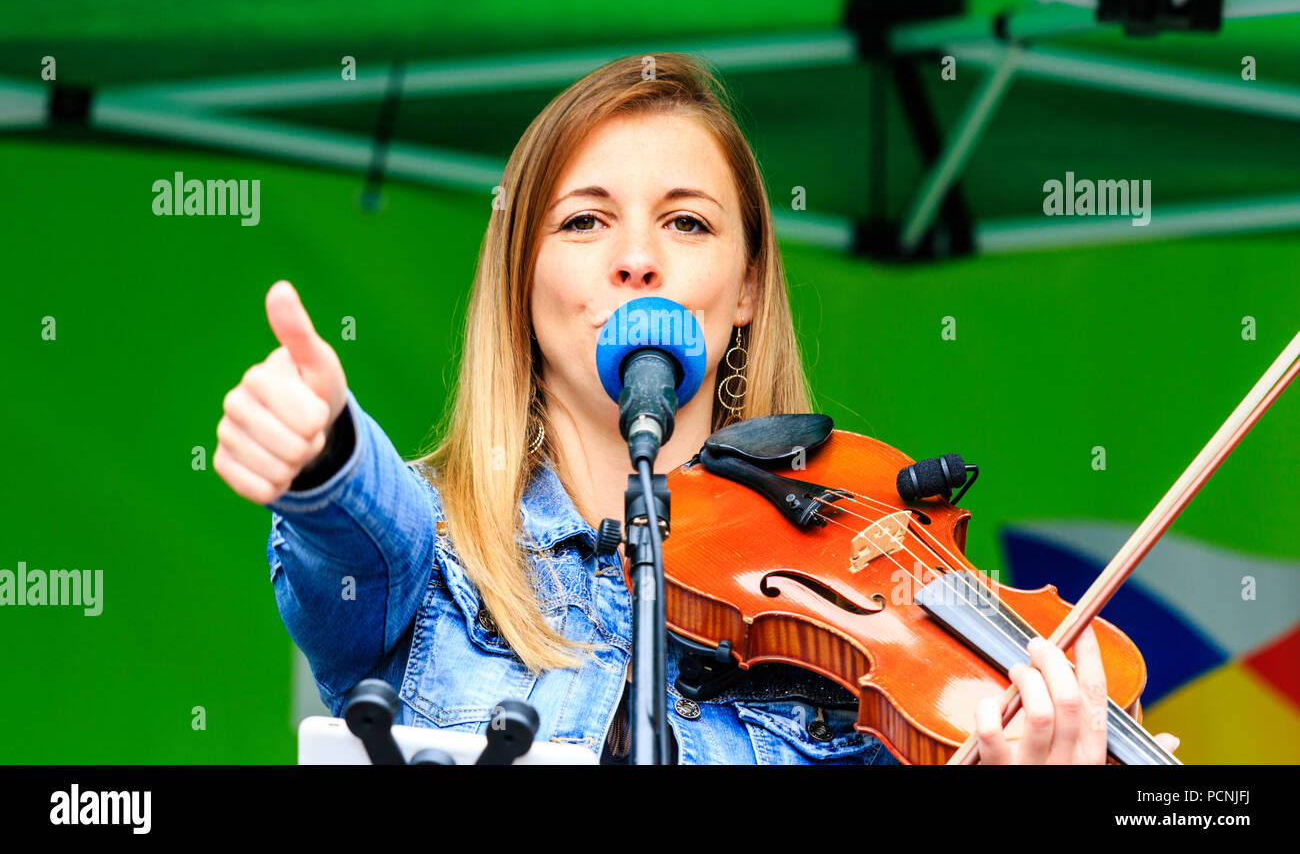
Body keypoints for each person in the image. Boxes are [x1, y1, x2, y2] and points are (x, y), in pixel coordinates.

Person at [215, 52, 1180, 765]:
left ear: (749, 284)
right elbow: (362, 527)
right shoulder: (439, 562)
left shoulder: (866, 646)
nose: (637, 260)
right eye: (585, 220)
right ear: (522, 280)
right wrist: (324, 451)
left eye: (686, 221)